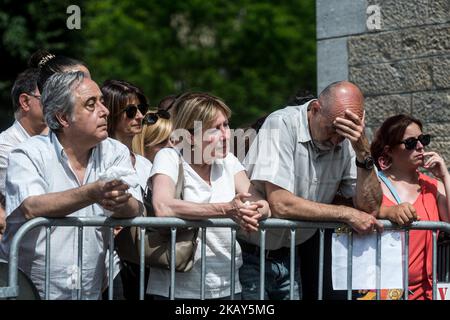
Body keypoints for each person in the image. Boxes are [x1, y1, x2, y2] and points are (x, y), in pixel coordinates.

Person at [0, 71, 143, 299]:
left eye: (102, 102)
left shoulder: (115, 152)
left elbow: (136, 209)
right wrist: (92, 192)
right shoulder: (27, 153)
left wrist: (122, 202)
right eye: (91, 104)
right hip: (31, 290)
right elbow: (31, 207)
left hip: (92, 288)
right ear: (63, 118)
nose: (105, 111)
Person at [240, 80, 384, 300]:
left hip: (292, 255)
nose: (337, 140)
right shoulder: (280, 123)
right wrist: (347, 213)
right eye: (333, 130)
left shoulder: (348, 140)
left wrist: (363, 151)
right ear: (315, 109)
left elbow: (370, 207)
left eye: (345, 133)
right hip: (250, 256)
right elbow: (281, 204)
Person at [148, 92, 270, 299]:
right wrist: (226, 209)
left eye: (227, 125)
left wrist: (254, 211)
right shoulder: (169, 156)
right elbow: (163, 206)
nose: (226, 135)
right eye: (216, 128)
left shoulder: (229, 161)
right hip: (176, 290)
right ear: (190, 135)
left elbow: (258, 201)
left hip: (228, 286)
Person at [370, 114, 450, 300]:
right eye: (411, 142)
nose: (421, 146)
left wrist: (445, 176)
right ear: (389, 150)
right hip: (379, 293)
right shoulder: (374, 185)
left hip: (425, 293)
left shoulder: (432, 186)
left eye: (423, 139)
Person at [101, 79, 152, 299]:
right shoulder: (97, 157)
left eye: (141, 109)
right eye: (131, 111)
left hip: (143, 261)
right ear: (111, 113)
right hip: (109, 264)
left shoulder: (145, 164)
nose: (140, 116)